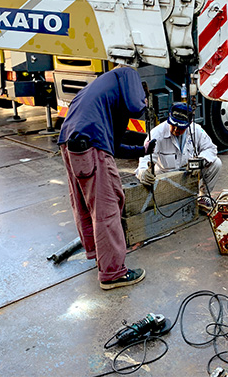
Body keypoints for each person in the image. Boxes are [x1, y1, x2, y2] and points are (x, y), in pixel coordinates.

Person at [58, 66, 156, 290]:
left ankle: (97, 254)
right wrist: (145, 105)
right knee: (107, 207)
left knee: (84, 203)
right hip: (91, 145)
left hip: (70, 143)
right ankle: (113, 273)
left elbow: (112, 146)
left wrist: (142, 150)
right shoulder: (128, 74)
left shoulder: (100, 92)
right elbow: (135, 107)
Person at [135, 102, 221, 211]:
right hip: (165, 175)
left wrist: (201, 161)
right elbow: (144, 159)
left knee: (216, 163)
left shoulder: (196, 130)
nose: (176, 130)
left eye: (180, 127)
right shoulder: (156, 134)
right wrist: (143, 173)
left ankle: (203, 197)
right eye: (173, 125)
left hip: (188, 172)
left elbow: (211, 149)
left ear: (189, 124)